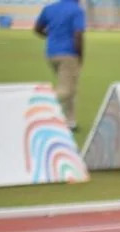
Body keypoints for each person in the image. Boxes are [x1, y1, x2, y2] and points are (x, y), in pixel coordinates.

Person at [33, 0, 85, 133]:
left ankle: (70, 121)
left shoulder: (50, 8)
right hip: (68, 53)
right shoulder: (76, 10)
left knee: (70, 87)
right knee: (66, 90)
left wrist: (51, 37)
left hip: (51, 53)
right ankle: (40, 108)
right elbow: (78, 35)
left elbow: (37, 29)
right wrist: (80, 56)